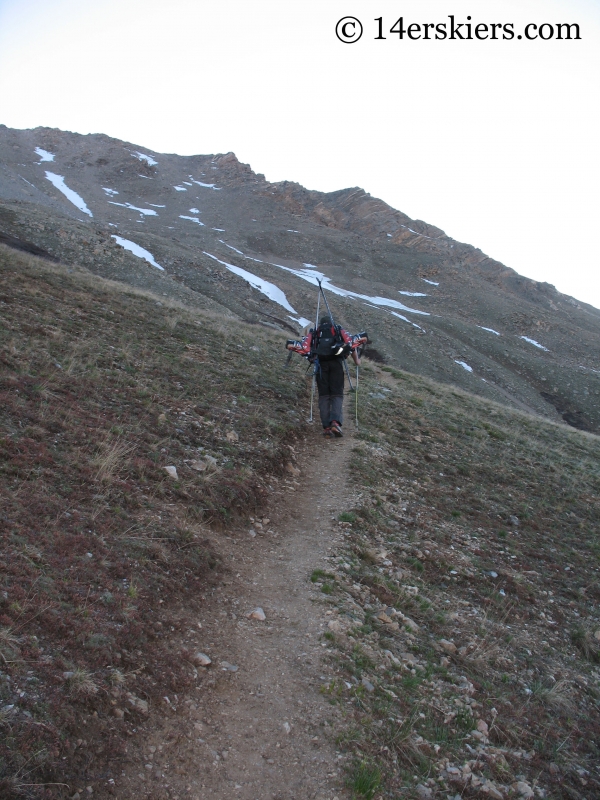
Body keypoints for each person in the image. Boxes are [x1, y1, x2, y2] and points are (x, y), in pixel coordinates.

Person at [286, 316, 367, 437]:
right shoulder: (338, 330)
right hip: (336, 365)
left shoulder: (315, 333)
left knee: (324, 396)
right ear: (331, 322)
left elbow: (304, 347)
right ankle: (335, 422)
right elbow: (350, 344)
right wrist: (357, 361)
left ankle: (327, 427)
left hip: (321, 366)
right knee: (336, 394)